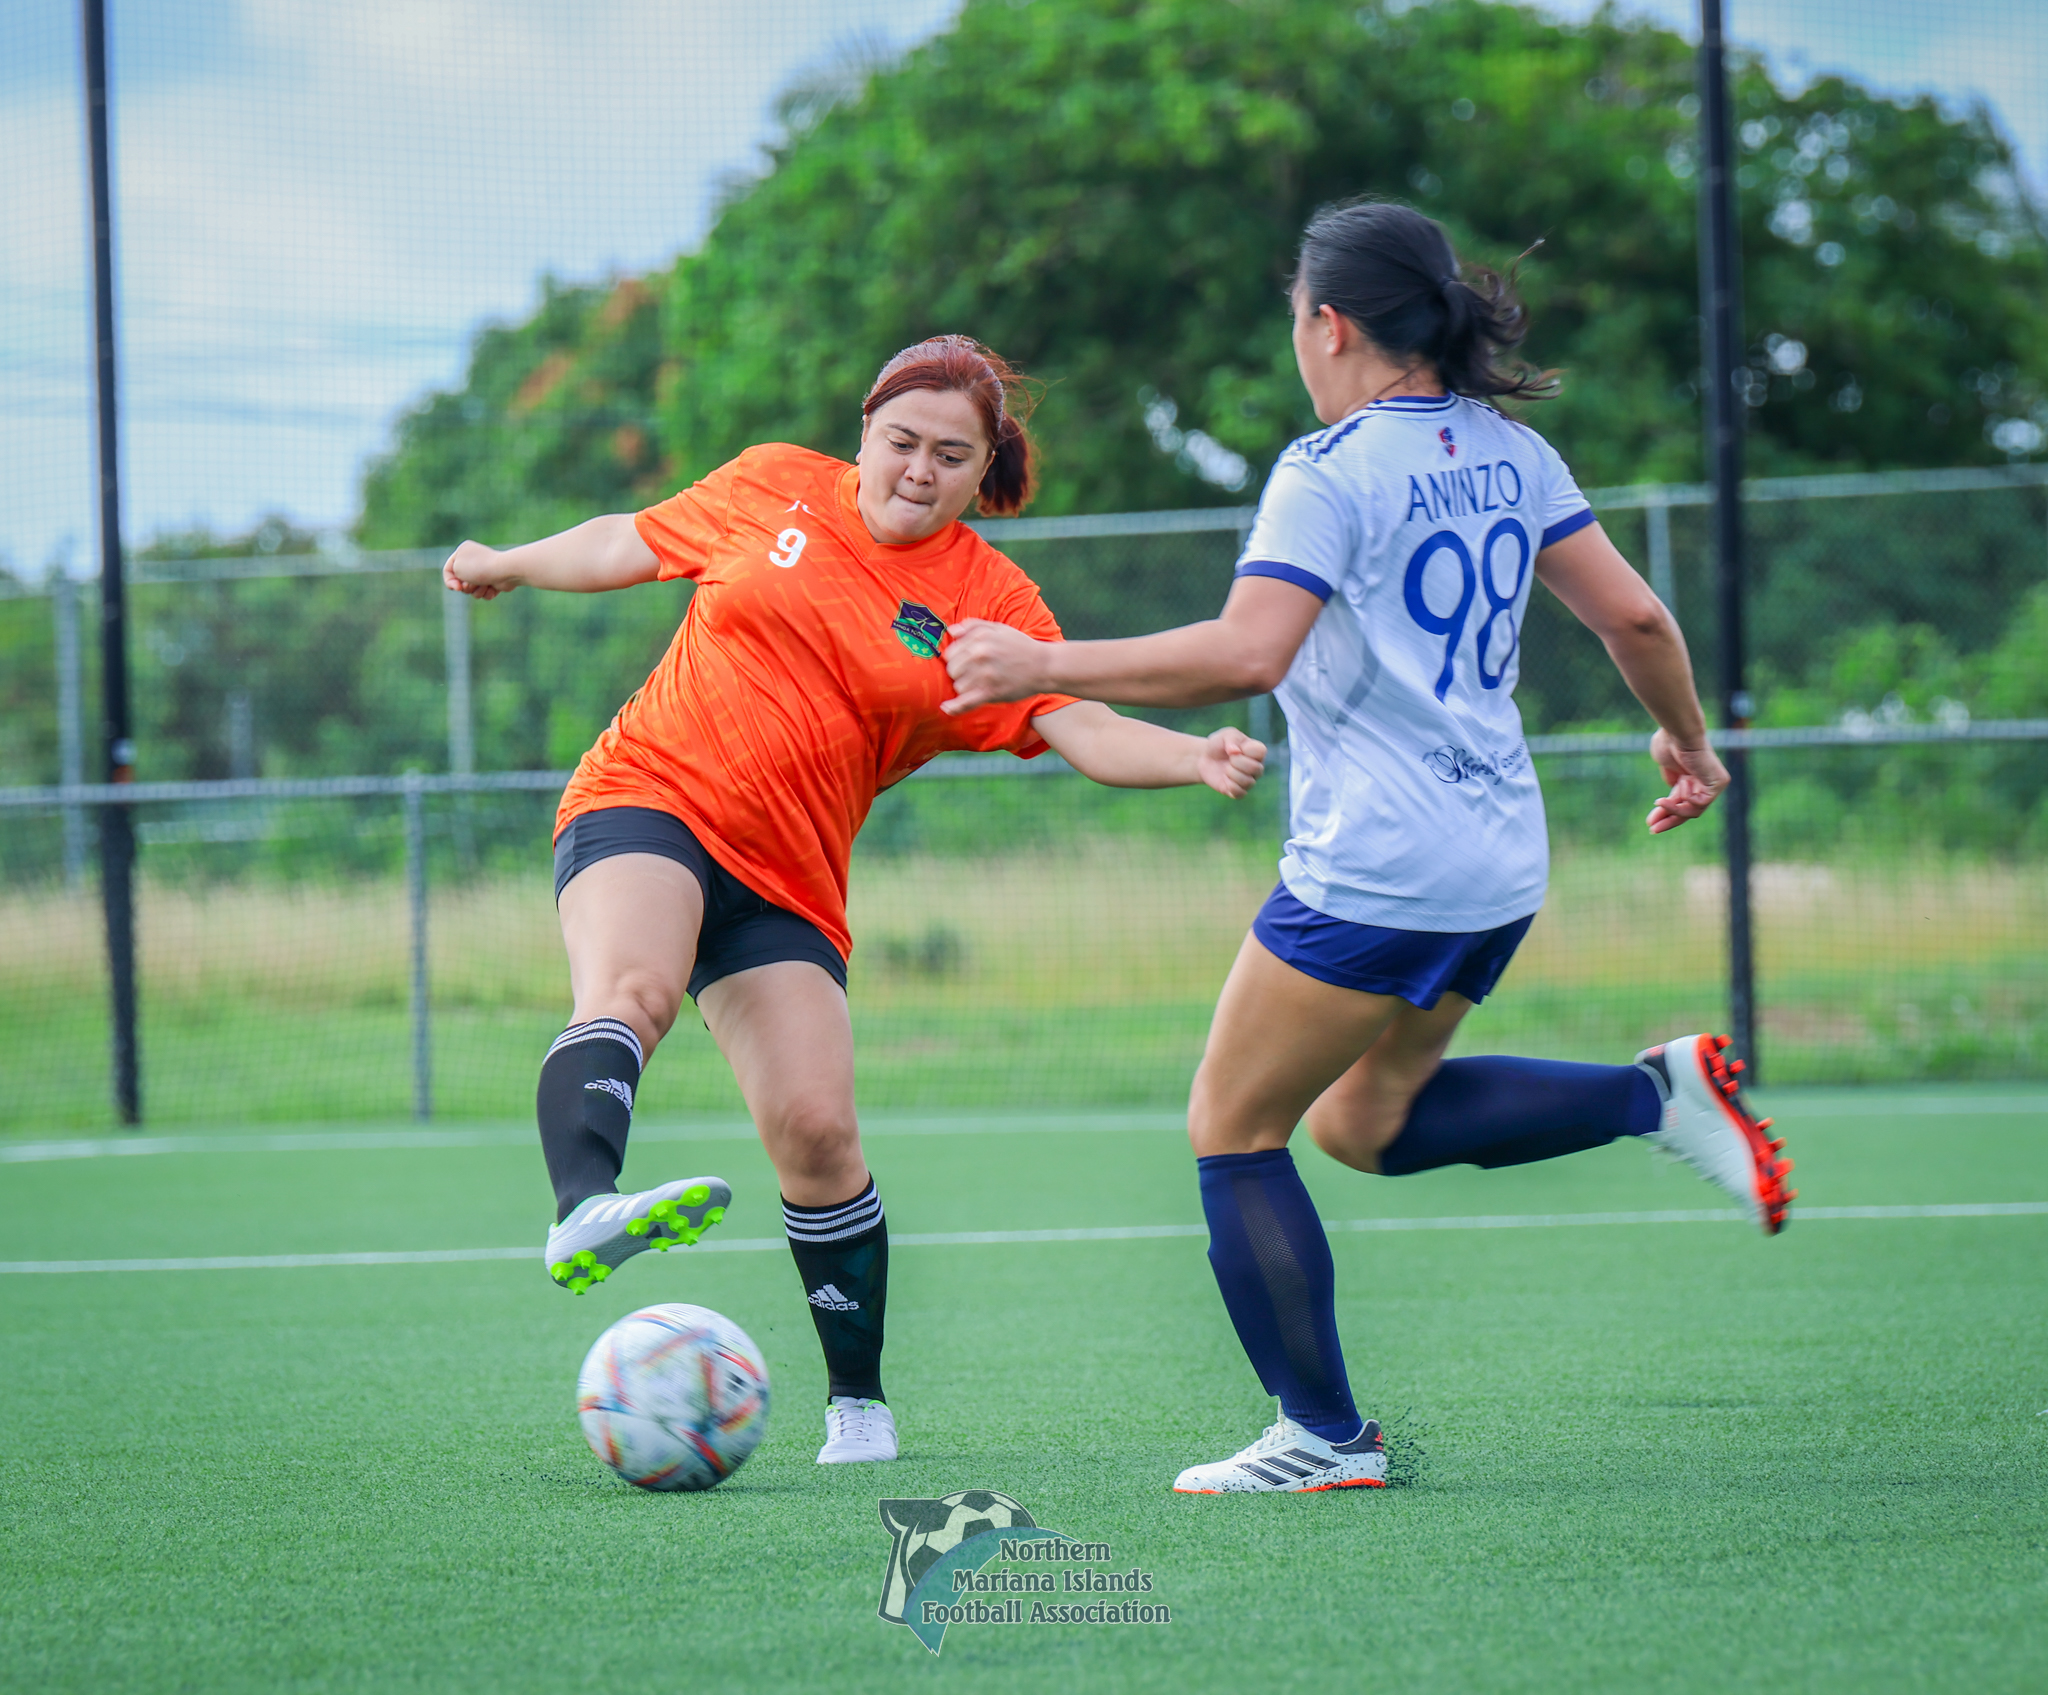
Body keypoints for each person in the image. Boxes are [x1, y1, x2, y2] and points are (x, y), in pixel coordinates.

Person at [941, 201, 1796, 1494]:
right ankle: (1659, 1094)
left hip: (1378, 868)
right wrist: (1686, 739)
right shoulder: (1511, 448)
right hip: (1499, 856)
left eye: (1296, 315)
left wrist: (1040, 660)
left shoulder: (1331, 470)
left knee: (1232, 1126)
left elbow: (1246, 653)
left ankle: (1325, 1437)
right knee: (1366, 1120)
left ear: (1329, 323)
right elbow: (1633, 613)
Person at [442, 336, 1266, 1466]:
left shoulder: (987, 597)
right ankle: (584, 1206)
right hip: (647, 799)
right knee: (633, 988)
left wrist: (1191, 756)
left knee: (820, 1137)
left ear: (984, 475)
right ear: (864, 432)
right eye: (901, 442)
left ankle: (857, 1406)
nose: (918, 470)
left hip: (788, 875)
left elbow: (1081, 722)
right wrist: (508, 559)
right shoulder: (771, 482)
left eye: (949, 456)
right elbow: (624, 542)